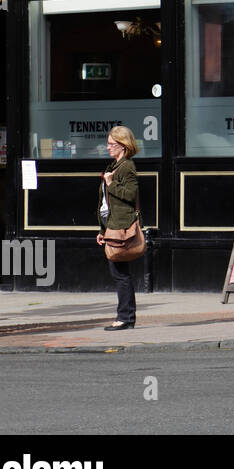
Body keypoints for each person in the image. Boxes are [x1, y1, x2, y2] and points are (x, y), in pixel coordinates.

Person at [97, 126, 140, 331]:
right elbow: (106, 202)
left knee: (120, 273)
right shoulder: (115, 165)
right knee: (119, 273)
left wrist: (111, 182)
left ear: (123, 145)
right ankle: (125, 316)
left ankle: (125, 317)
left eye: (111, 144)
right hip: (111, 226)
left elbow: (130, 195)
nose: (107, 147)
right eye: (108, 143)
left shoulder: (126, 167)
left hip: (120, 227)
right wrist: (102, 230)